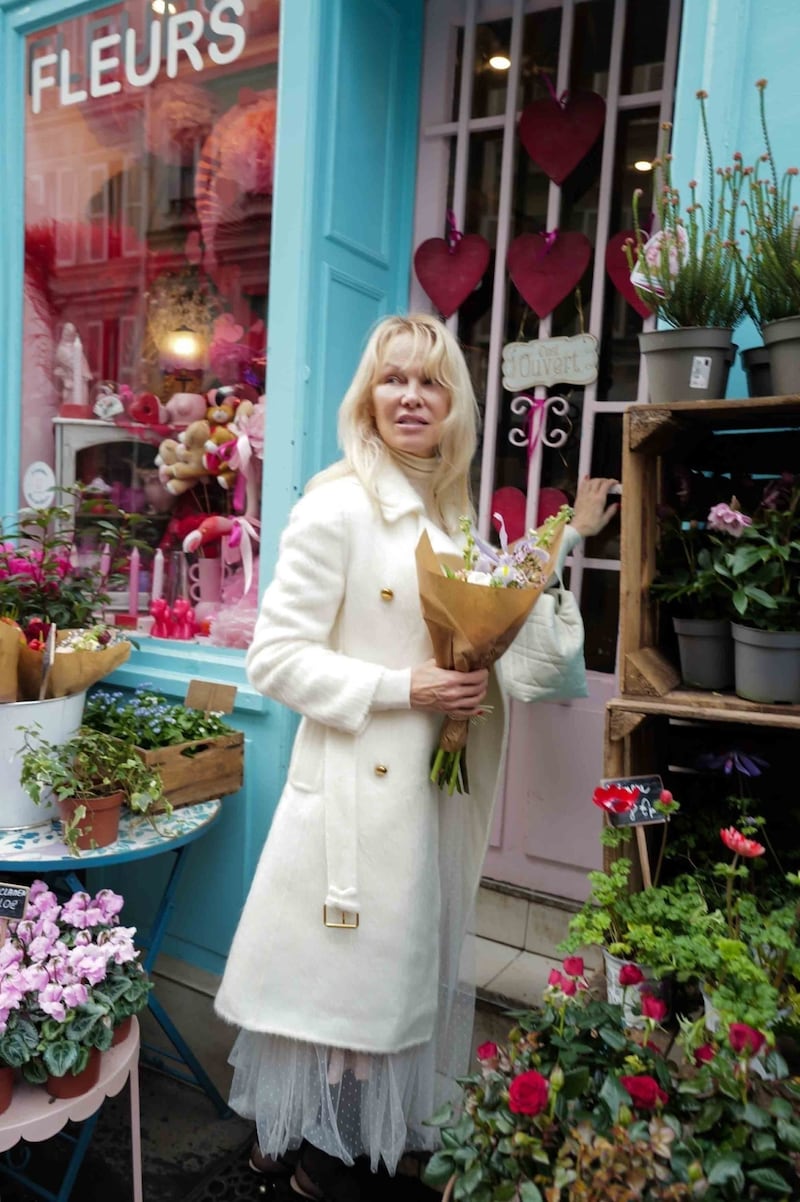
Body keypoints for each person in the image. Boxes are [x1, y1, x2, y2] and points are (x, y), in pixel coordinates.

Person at [214, 314, 618, 1201]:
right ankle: (318, 1165)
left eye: (430, 383)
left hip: (426, 792)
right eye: (394, 379)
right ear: (368, 396)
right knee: (342, 1002)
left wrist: (566, 538)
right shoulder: (336, 504)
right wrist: (409, 688)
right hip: (358, 796)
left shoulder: (451, 514)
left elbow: (502, 602)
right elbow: (273, 659)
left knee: (375, 997)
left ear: (454, 405)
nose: (410, 397)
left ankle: (299, 1152)